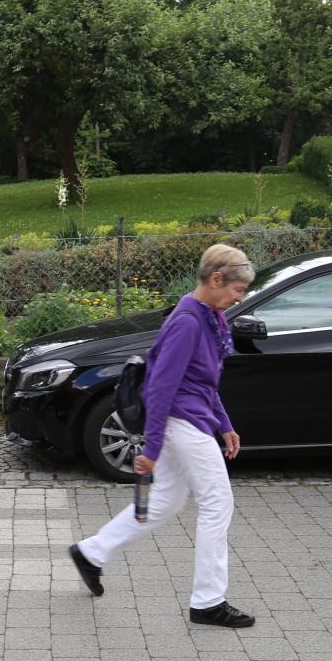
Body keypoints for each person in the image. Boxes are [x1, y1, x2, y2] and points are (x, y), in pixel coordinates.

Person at [68, 244, 257, 629]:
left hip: (190, 419)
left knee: (167, 502)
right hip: (181, 423)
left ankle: (91, 552)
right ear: (216, 279)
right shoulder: (189, 322)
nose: (240, 298)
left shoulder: (207, 317)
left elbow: (203, 380)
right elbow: (160, 388)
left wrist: (225, 424)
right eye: (238, 290)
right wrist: (151, 448)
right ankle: (207, 602)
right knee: (218, 504)